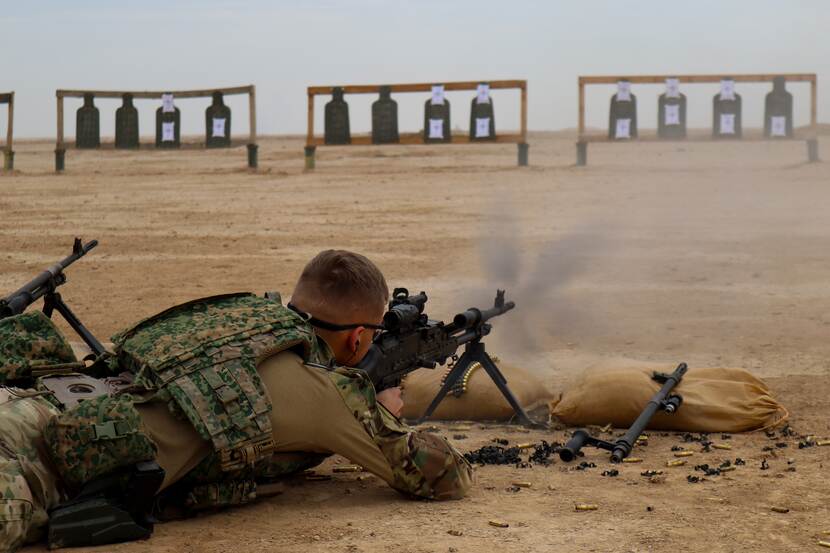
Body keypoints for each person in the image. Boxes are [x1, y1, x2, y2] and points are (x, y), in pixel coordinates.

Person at [1, 249, 473, 551]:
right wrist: (382, 411)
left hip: (31, 398)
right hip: (36, 469)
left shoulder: (239, 315)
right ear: (356, 340)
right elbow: (443, 476)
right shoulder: (329, 394)